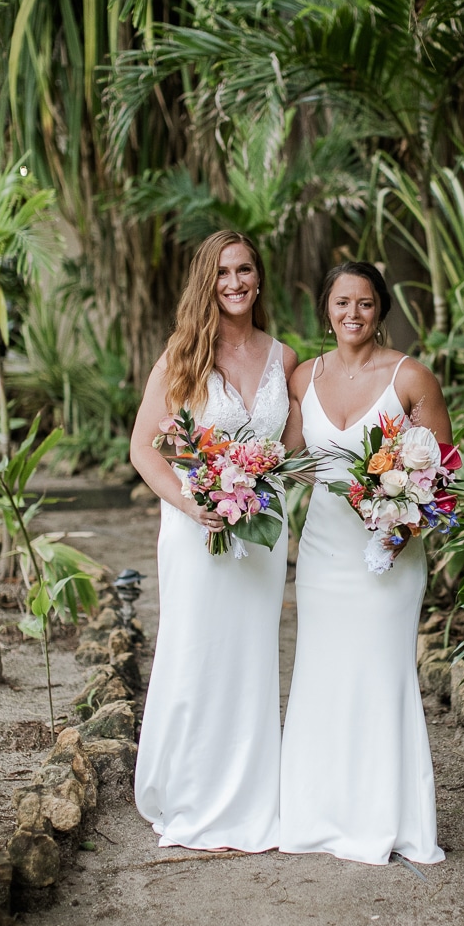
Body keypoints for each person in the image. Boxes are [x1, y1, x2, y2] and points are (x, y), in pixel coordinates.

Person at [279, 261, 452, 866]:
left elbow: (441, 477)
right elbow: (286, 456)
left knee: (380, 677)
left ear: (381, 311)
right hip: (324, 551)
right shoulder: (303, 376)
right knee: (324, 674)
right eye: (342, 303)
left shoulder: (410, 378)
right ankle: (318, 815)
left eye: (366, 305)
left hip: (389, 555)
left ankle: (385, 818)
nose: (353, 315)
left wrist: (399, 529)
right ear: (326, 309)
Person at [130, 230, 297, 852]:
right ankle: (192, 791)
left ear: (259, 278)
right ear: (208, 281)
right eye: (223, 272)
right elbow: (144, 447)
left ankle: (252, 795)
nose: (235, 282)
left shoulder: (284, 358)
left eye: (245, 270)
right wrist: (191, 501)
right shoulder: (184, 357)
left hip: (262, 533)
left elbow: (296, 446)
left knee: (251, 657)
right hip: (196, 530)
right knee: (197, 652)